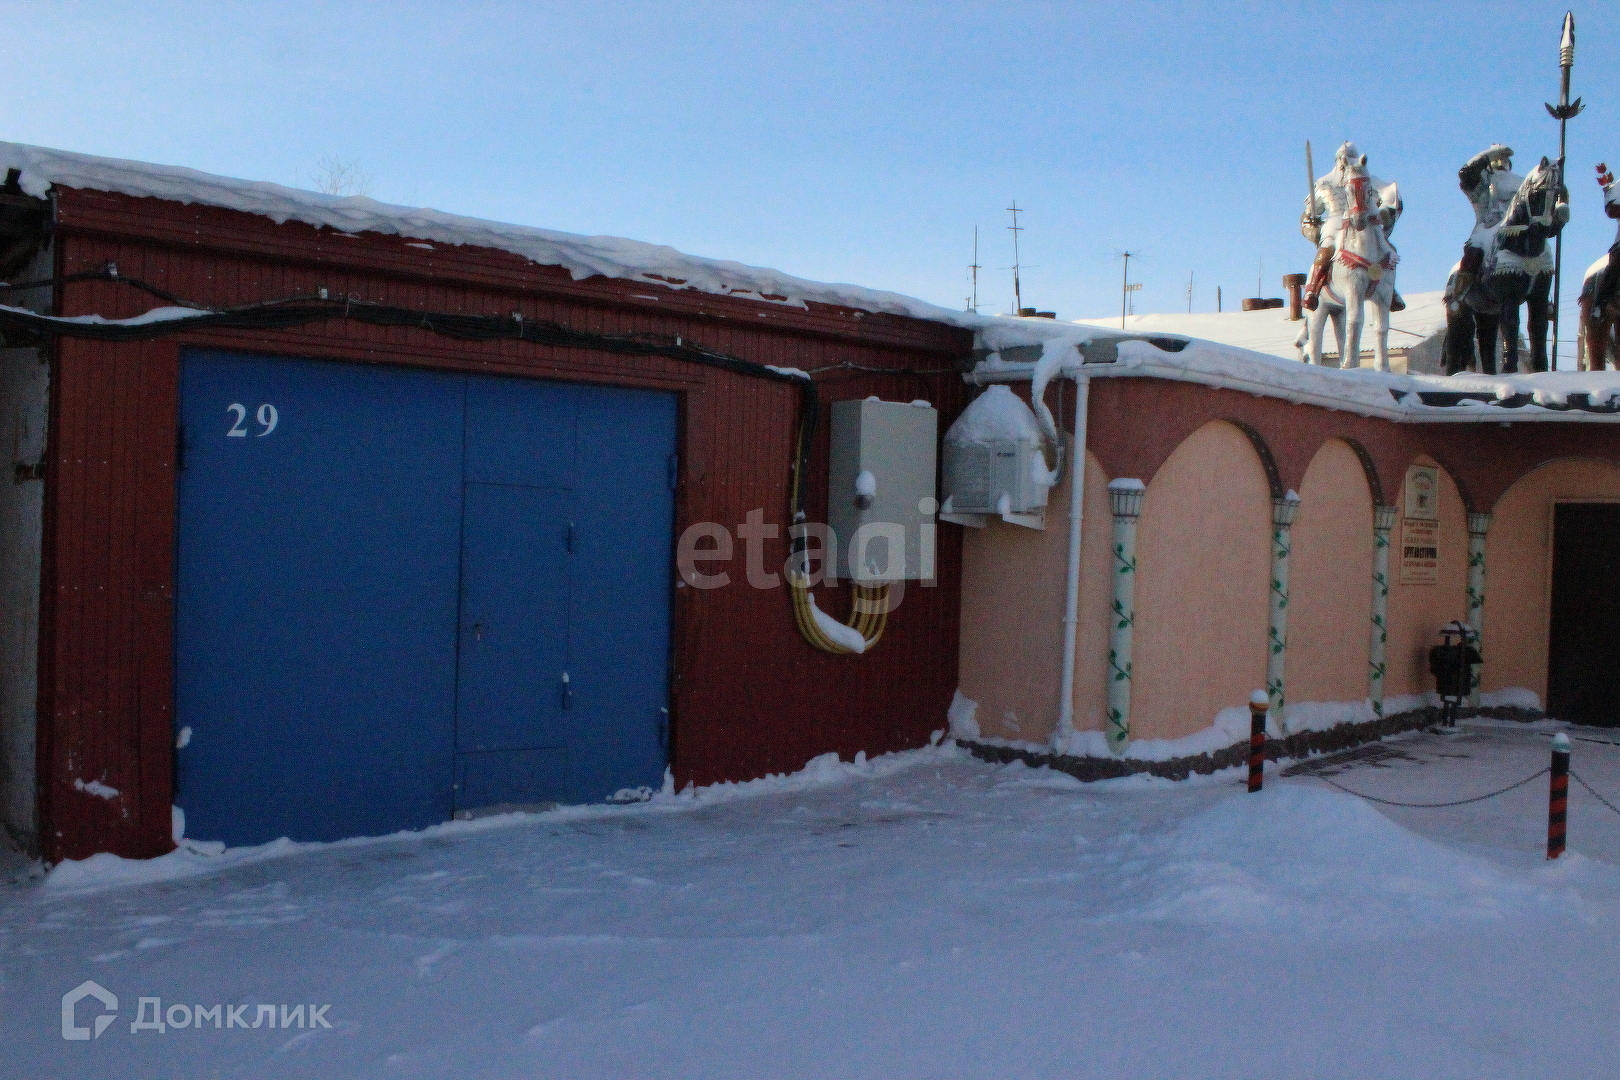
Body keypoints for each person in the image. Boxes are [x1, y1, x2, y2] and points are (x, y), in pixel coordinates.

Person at [1301, 141, 1405, 312]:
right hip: (1335, 221)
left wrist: (1384, 211)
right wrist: (1311, 227)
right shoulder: (1323, 183)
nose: (1345, 161)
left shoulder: (1367, 178)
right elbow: (1308, 214)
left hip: (1364, 219)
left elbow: (1390, 193)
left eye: (1349, 157)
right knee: (1326, 249)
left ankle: (1390, 290)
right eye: (1343, 158)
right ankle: (1312, 290)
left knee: (1387, 251)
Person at [1452, 144, 1522, 312]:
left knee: (1540, 252)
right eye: (1498, 158)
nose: (1501, 162)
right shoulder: (1484, 181)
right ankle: (1462, 288)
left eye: (1503, 159)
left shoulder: (1522, 182)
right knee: (1474, 250)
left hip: (1518, 228)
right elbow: (1465, 174)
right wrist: (1488, 155)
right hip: (1487, 226)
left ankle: (1542, 298)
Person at [1427, 621, 1482, 727]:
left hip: (1453, 682)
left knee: (1449, 701)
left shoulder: (1444, 652)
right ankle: (1448, 723)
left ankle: (1448, 723)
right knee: (1450, 701)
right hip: (1454, 682)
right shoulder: (1447, 652)